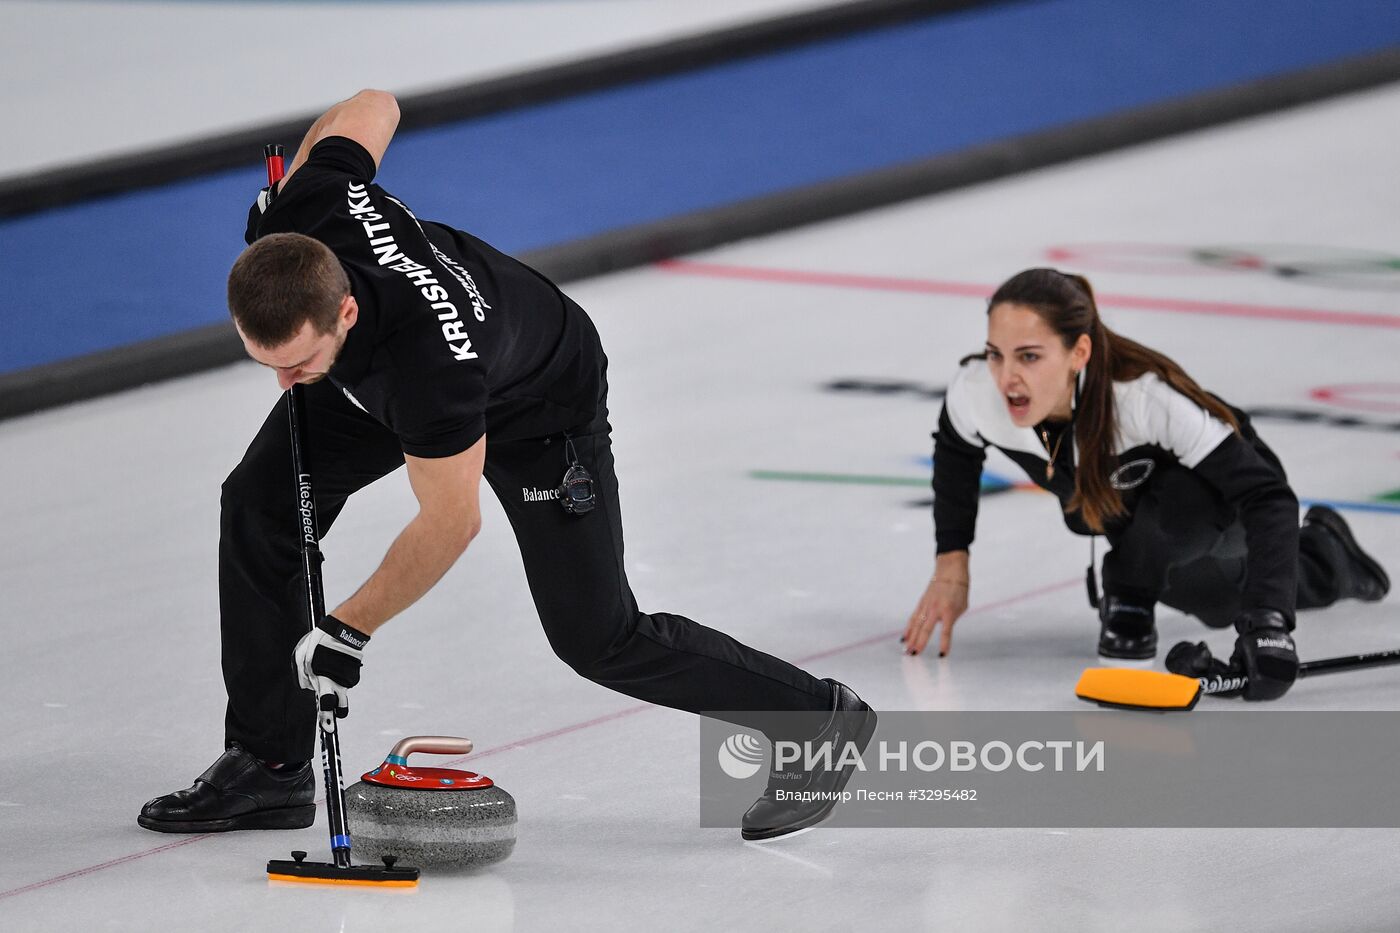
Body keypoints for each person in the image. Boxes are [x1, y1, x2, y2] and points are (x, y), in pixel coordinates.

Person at [137, 89, 874, 841]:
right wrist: (292, 186)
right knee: (259, 503)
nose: (281, 382)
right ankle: (271, 766)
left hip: (536, 400)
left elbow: (452, 521)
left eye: (295, 362)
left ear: (345, 312)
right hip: (375, 375)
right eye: (266, 361)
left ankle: (817, 719)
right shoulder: (314, 205)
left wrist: (349, 628)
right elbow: (374, 105)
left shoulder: (429, 373)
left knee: (597, 635)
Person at [903, 268, 1389, 700]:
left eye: (1029, 357)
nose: (1007, 377)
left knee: (1188, 531)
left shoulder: (1141, 397)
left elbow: (1267, 497)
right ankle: (1329, 555)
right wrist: (952, 570)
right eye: (996, 354)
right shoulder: (977, 392)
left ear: (1079, 352)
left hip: (1222, 498)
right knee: (1219, 604)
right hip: (1135, 515)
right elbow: (956, 452)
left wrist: (1268, 624)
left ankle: (1130, 586)